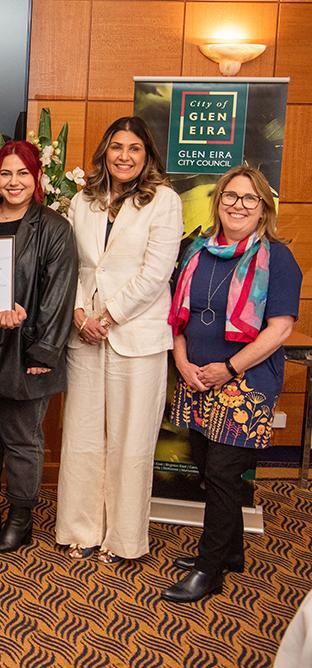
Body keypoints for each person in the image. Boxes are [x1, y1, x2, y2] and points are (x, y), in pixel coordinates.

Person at [161, 165, 300, 602]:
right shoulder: (198, 252)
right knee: (206, 463)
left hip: (245, 382)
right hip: (197, 378)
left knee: (221, 472)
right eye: (230, 196)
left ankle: (209, 569)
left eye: (250, 199)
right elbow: (178, 314)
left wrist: (230, 368)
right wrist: (182, 361)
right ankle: (231, 551)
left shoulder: (277, 257)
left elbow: (279, 329)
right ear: (218, 201)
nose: (238, 205)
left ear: (263, 210)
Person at [54, 117, 182, 564]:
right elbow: (69, 264)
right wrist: (76, 313)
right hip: (84, 332)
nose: (124, 156)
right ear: (104, 152)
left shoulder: (164, 201)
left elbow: (157, 271)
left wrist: (106, 317)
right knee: (84, 434)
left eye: (134, 149)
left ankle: (124, 539)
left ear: (147, 155)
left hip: (137, 334)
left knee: (131, 440)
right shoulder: (82, 200)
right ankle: (81, 529)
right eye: (116, 147)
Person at [0, 141, 77, 553]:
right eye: (6, 173)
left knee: (22, 437)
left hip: (24, 349)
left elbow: (59, 296)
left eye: (23, 173)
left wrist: (42, 353)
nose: (14, 182)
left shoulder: (53, 227)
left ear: (37, 178)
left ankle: (21, 518)